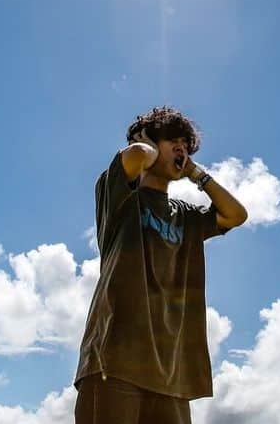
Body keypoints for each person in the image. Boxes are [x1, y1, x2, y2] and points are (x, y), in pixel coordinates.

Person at [73, 105, 249, 424]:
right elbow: (135, 156)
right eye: (172, 141)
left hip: (171, 376)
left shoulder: (187, 216)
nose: (181, 148)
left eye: (185, 144)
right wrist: (148, 148)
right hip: (113, 363)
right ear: (151, 145)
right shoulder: (121, 195)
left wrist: (197, 174)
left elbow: (236, 215)